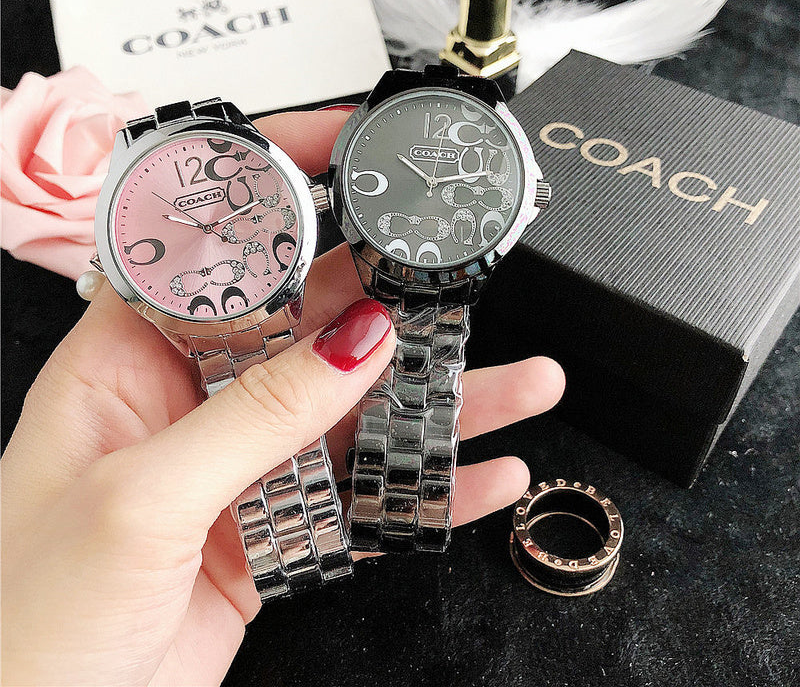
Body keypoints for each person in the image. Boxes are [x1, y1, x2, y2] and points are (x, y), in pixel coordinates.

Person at [1, 109, 565, 686]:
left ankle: (312, 547)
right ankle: (300, 552)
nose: (208, 229)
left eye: (222, 217)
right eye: (186, 221)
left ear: (306, 198)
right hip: (207, 319)